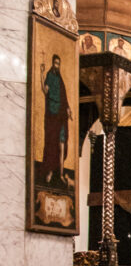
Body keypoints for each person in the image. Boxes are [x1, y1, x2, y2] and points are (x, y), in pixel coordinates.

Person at [39, 54, 72, 186]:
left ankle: (61, 173)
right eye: (55, 63)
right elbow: (45, 90)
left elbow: (64, 96)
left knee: (62, 144)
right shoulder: (50, 76)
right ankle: (50, 171)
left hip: (62, 115)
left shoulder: (60, 78)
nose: (57, 66)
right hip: (52, 114)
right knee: (52, 143)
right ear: (53, 63)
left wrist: (68, 108)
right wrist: (41, 74)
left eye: (59, 63)